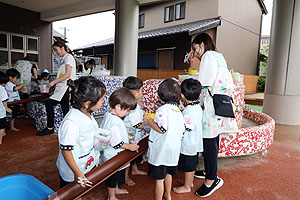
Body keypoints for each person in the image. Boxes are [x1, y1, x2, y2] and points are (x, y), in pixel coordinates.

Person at [191, 33, 238, 197]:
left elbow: (203, 82)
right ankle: (209, 170)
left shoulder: (208, 56)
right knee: (214, 140)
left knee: (209, 142)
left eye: (195, 48)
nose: (195, 52)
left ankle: (212, 179)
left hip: (211, 107)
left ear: (202, 44)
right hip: (218, 104)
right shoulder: (219, 56)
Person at [56, 76, 106, 189]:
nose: (103, 102)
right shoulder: (71, 123)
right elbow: (66, 151)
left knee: (80, 190)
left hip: (85, 161)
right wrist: (77, 173)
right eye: (101, 100)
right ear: (88, 103)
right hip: (73, 169)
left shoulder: (87, 113)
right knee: (69, 191)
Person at [143, 78, 185, 200]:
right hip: (173, 150)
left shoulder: (162, 110)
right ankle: (168, 195)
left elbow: (161, 128)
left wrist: (149, 120)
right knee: (168, 174)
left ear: (161, 94)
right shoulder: (178, 111)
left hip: (162, 151)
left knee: (159, 180)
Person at [100, 87, 139, 200]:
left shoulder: (109, 114)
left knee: (116, 175)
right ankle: (111, 196)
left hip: (109, 153)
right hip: (113, 155)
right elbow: (117, 143)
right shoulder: (115, 122)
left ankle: (116, 190)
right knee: (113, 176)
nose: (127, 113)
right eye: (126, 110)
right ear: (118, 106)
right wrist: (130, 147)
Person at [37, 41, 77, 136]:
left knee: (49, 103)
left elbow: (68, 74)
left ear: (62, 47)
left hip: (66, 87)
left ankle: (50, 128)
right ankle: (68, 128)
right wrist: (54, 82)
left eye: (56, 50)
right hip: (62, 87)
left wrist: (54, 82)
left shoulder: (68, 58)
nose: (56, 52)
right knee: (65, 108)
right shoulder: (63, 59)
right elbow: (62, 74)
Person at [173, 78, 203, 194]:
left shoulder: (189, 110)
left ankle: (186, 186)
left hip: (188, 143)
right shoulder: (197, 107)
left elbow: (187, 127)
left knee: (188, 166)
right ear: (199, 94)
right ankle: (189, 181)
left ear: (182, 95)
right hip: (195, 142)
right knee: (192, 165)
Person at [122, 76, 147, 186]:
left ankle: (134, 169)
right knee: (127, 157)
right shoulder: (134, 108)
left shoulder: (128, 102)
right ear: (136, 93)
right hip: (130, 136)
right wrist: (151, 125)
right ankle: (126, 177)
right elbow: (138, 125)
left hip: (131, 135)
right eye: (141, 90)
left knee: (134, 154)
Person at [0, 72, 12, 144]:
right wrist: (6, 108)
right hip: (1, 112)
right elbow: (4, 100)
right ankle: (0, 140)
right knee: (1, 127)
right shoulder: (2, 89)